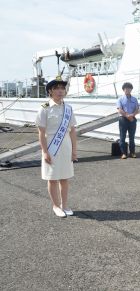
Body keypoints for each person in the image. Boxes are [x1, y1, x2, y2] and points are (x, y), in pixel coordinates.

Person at [36, 76, 78, 218]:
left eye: (62, 88)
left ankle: (65, 205)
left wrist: (74, 151)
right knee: (52, 178)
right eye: (57, 88)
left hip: (65, 145)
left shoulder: (69, 109)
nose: (60, 91)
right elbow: (41, 133)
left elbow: (72, 131)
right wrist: (45, 152)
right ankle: (55, 205)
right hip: (51, 146)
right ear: (50, 92)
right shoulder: (44, 109)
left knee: (65, 177)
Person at [116, 82, 140, 159]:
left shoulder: (134, 99)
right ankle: (123, 153)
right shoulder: (120, 99)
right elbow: (119, 109)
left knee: (132, 137)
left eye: (129, 88)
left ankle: (132, 152)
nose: (127, 89)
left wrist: (132, 115)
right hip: (123, 119)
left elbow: (137, 109)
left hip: (132, 118)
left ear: (131, 89)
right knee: (122, 137)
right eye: (126, 88)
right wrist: (127, 115)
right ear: (123, 89)